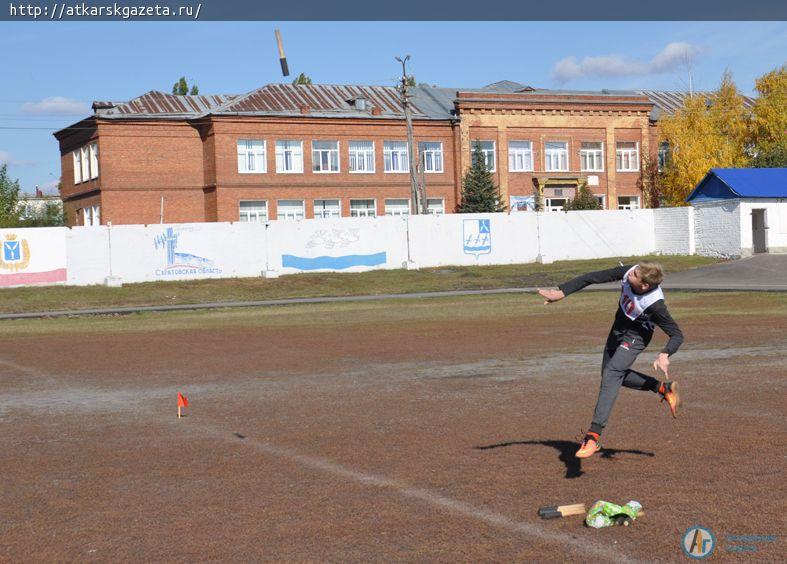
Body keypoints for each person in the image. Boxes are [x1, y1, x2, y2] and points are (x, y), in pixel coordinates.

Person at [538, 261, 683, 459]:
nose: (630, 273)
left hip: (637, 336)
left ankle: (592, 436)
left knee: (612, 374)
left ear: (644, 286)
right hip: (617, 330)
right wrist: (562, 292)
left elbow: (676, 334)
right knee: (612, 377)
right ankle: (663, 388)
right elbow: (592, 276)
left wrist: (665, 353)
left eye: (634, 275)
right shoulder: (631, 271)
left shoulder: (655, 304)